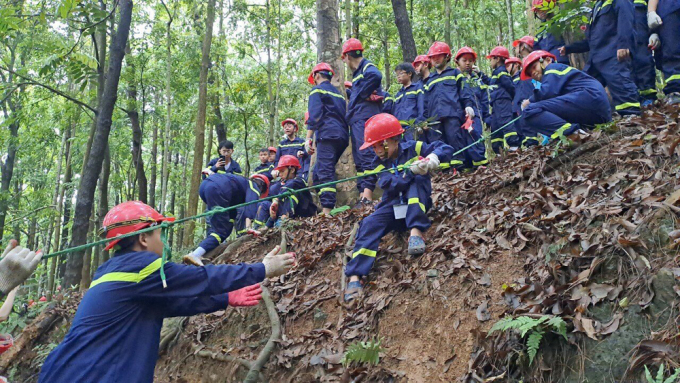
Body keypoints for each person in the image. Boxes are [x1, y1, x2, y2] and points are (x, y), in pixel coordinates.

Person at [39, 201, 295, 383]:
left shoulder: (111, 272)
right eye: (160, 234)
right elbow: (202, 277)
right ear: (143, 239)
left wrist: (225, 298)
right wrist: (261, 269)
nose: (163, 242)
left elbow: (167, 305)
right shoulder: (141, 269)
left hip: (67, 371)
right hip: (92, 375)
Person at [343, 114, 453, 302]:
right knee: (369, 223)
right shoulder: (378, 165)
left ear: (392, 140)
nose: (376, 150)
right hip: (393, 208)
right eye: (374, 146)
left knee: (417, 182)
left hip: (417, 203)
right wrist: (409, 171)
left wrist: (433, 158)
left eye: (379, 144)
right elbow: (391, 185)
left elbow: (445, 147)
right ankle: (355, 277)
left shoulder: (414, 147)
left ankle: (416, 233)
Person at [560, 0, 641, 116]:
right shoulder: (597, 7)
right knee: (584, 88)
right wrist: (568, 49)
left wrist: (624, 45)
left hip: (613, 54)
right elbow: (591, 41)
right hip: (595, 60)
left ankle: (631, 116)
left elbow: (626, 20)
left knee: (621, 85)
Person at [520, 50, 612, 141]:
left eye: (534, 67)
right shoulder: (560, 73)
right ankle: (575, 133)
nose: (533, 73)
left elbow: (547, 92)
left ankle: (574, 134)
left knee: (529, 110)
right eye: (530, 73)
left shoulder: (552, 68)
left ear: (548, 60)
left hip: (589, 98)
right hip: (598, 111)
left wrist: (529, 101)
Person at [183, 174, 270, 266]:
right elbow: (251, 205)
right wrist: (249, 227)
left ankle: (204, 252)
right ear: (262, 187)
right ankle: (196, 254)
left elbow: (232, 210)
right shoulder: (253, 186)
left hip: (205, 187)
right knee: (220, 232)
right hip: (217, 189)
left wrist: (231, 224)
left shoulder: (240, 184)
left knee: (220, 229)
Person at [342, 38, 383, 206]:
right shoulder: (358, 73)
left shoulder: (366, 67)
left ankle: (368, 194)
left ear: (347, 56)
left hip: (366, 117)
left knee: (367, 154)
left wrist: (359, 94)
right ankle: (362, 193)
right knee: (359, 158)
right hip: (358, 118)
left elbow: (376, 75)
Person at [422, 41, 475, 171]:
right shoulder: (429, 80)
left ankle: (458, 169)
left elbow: (464, 92)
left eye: (439, 56)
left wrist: (468, 106)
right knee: (438, 144)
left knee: (455, 140)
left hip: (453, 114)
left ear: (447, 57)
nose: (436, 59)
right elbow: (425, 102)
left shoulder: (455, 74)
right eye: (433, 57)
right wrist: (424, 120)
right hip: (434, 119)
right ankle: (444, 171)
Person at [306, 62, 349, 215]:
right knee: (318, 173)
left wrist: (308, 139)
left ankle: (327, 211)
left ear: (316, 76)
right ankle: (323, 205)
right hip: (342, 137)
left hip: (327, 135)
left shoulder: (316, 90)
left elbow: (314, 115)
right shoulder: (339, 95)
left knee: (325, 171)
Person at [254, 156, 317, 229]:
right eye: (279, 171)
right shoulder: (281, 184)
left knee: (291, 194)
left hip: (302, 213)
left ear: (292, 170)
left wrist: (277, 200)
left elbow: (290, 185)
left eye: (282, 171)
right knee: (265, 204)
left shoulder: (299, 181)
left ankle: (283, 220)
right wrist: (273, 208)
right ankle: (258, 228)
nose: (280, 174)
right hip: (284, 212)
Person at [455, 47, 490, 168]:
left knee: (476, 139)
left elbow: (484, 99)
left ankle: (480, 166)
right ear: (457, 62)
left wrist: (486, 116)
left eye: (470, 60)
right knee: (462, 142)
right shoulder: (455, 78)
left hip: (476, 116)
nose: (468, 63)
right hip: (460, 116)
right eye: (464, 60)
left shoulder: (478, 80)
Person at [486, 46, 520, 152]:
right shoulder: (496, 72)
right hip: (496, 103)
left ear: (498, 59)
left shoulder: (501, 71)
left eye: (491, 59)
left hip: (503, 101)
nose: (490, 62)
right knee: (495, 125)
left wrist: (510, 98)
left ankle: (514, 145)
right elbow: (491, 83)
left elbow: (510, 86)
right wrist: (479, 74)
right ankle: (498, 150)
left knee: (506, 121)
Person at [648, 0, 680, 104]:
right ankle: (675, 91)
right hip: (669, 10)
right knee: (672, 51)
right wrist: (651, 13)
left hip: (669, 10)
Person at [630, 0, 659, 106]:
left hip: (641, 31)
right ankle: (633, 101)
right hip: (622, 37)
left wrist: (654, 32)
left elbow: (654, 8)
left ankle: (648, 100)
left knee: (643, 61)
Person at [386, 62, 425, 142]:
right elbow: (395, 112)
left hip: (412, 128)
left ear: (409, 73)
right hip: (400, 131)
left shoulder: (417, 88)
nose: (398, 76)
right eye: (397, 75)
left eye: (400, 73)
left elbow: (421, 107)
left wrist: (419, 124)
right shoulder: (398, 94)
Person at [531, 0, 571, 65]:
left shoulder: (562, 22)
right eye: (538, 9)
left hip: (563, 62)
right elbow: (536, 50)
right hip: (547, 65)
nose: (541, 11)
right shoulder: (540, 32)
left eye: (543, 7)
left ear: (552, 5)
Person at [412, 54, 438, 143]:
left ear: (426, 65)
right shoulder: (416, 86)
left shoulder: (436, 79)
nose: (415, 68)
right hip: (421, 123)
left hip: (436, 120)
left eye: (417, 65)